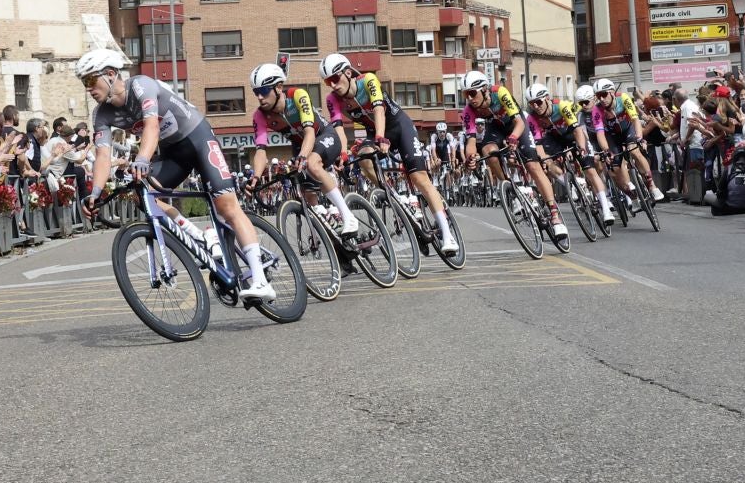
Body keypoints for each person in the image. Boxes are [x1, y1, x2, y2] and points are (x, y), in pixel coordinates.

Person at [79, 49, 275, 301]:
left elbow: (151, 126)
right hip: (174, 153)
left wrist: (142, 159)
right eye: (83, 82)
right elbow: (103, 156)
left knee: (227, 207)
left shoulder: (141, 85)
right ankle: (200, 237)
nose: (87, 88)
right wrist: (95, 192)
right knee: (145, 196)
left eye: (89, 80)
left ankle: (260, 280)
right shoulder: (101, 114)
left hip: (198, 138)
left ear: (109, 74)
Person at [320, 52, 460, 256]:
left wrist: (381, 138)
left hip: (398, 126)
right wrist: (342, 154)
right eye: (327, 81)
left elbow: (378, 110)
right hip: (375, 132)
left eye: (334, 78)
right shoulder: (332, 100)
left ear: (348, 72)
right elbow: (340, 129)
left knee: (419, 178)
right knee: (364, 158)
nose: (332, 85)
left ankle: (448, 235)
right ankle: (397, 198)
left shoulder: (368, 80)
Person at [247, 61, 358, 238]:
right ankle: (330, 231)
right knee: (308, 195)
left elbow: (309, 133)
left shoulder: (297, 95)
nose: (260, 97)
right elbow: (260, 150)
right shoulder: (259, 116)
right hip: (300, 146)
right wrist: (255, 177)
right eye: (256, 92)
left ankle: (348, 216)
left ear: (278, 87)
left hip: (323, 135)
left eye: (264, 91)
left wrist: (303, 157)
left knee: (312, 164)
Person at [463, 71, 564, 239]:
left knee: (533, 166)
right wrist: (470, 158)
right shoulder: (469, 110)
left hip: (516, 125)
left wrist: (513, 138)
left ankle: (555, 215)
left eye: (472, 93)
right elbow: (471, 142)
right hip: (495, 129)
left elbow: (518, 122)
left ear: (484, 89)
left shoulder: (500, 93)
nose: (469, 98)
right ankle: (509, 188)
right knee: (488, 152)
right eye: (465, 94)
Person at [525, 84, 616, 228]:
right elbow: (538, 143)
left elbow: (577, 130)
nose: (536, 106)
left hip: (572, 135)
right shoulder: (532, 118)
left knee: (590, 170)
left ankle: (606, 209)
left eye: (539, 102)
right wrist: (544, 159)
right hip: (554, 140)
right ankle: (570, 185)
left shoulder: (561, 107)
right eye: (532, 104)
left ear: (547, 98)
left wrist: (581, 148)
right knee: (547, 164)